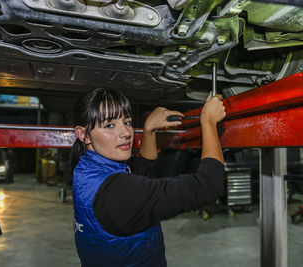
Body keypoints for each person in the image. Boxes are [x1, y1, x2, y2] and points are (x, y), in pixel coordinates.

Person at [71, 88, 226, 266]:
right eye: (109, 125)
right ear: (83, 134)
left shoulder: (86, 169)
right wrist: (208, 123)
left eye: (127, 122)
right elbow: (209, 184)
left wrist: (149, 130)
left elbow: (143, 164)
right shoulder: (119, 192)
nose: (126, 133)